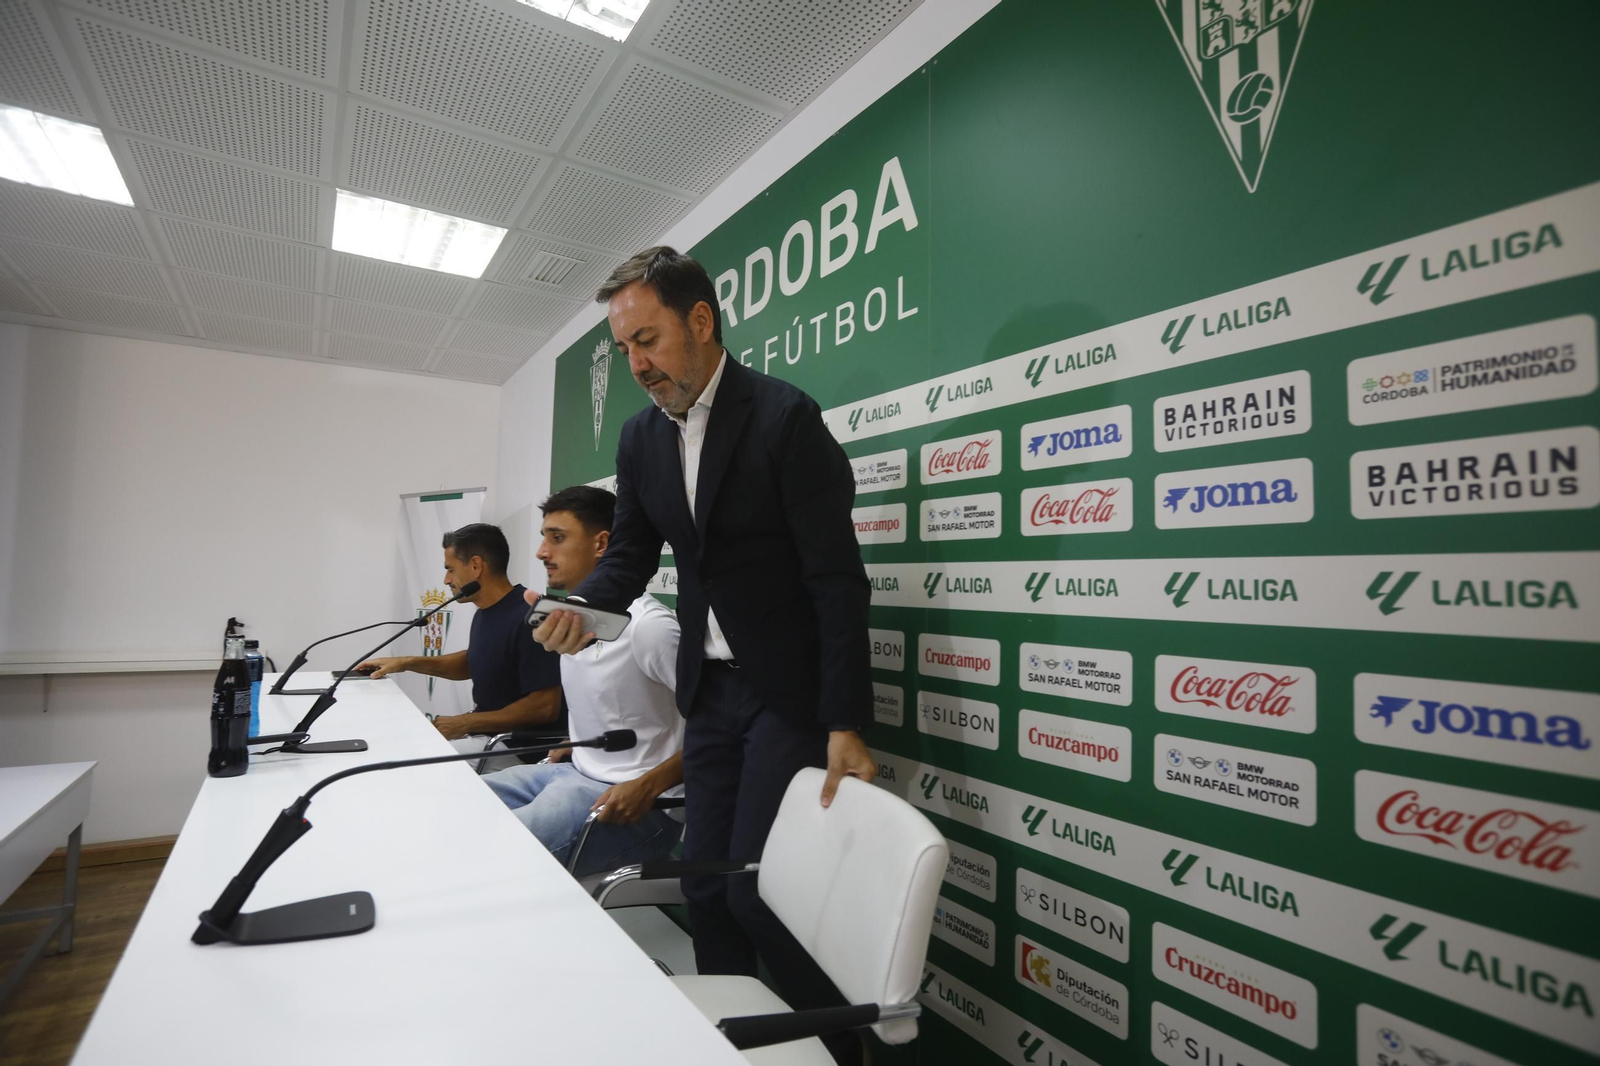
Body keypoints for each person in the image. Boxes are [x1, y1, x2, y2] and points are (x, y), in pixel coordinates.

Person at [530, 247, 874, 1063]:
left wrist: (846, 720)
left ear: (701, 320)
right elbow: (630, 558)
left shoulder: (784, 418)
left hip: (785, 693)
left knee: (755, 893)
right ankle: (727, 1044)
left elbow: (836, 580)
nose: (638, 365)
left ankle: (841, 1039)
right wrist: (585, 609)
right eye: (624, 351)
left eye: (647, 340)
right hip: (709, 694)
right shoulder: (641, 438)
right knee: (701, 886)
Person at [482, 486, 684, 875]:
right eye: (544, 538)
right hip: (571, 771)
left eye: (556, 538)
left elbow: (720, 732)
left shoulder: (649, 628)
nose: (542, 552)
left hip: (637, 807)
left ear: (601, 544)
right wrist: (577, 744)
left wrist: (647, 785)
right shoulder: (564, 620)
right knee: (458, 804)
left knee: (496, 855)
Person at [359, 523, 563, 761]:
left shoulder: (531, 616)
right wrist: (404, 663)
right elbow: (475, 661)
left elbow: (545, 707)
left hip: (518, 749)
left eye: (450, 569)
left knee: (415, 761)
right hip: (486, 739)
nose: (446, 580)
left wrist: (465, 722)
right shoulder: (486, 612)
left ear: (475, 566)